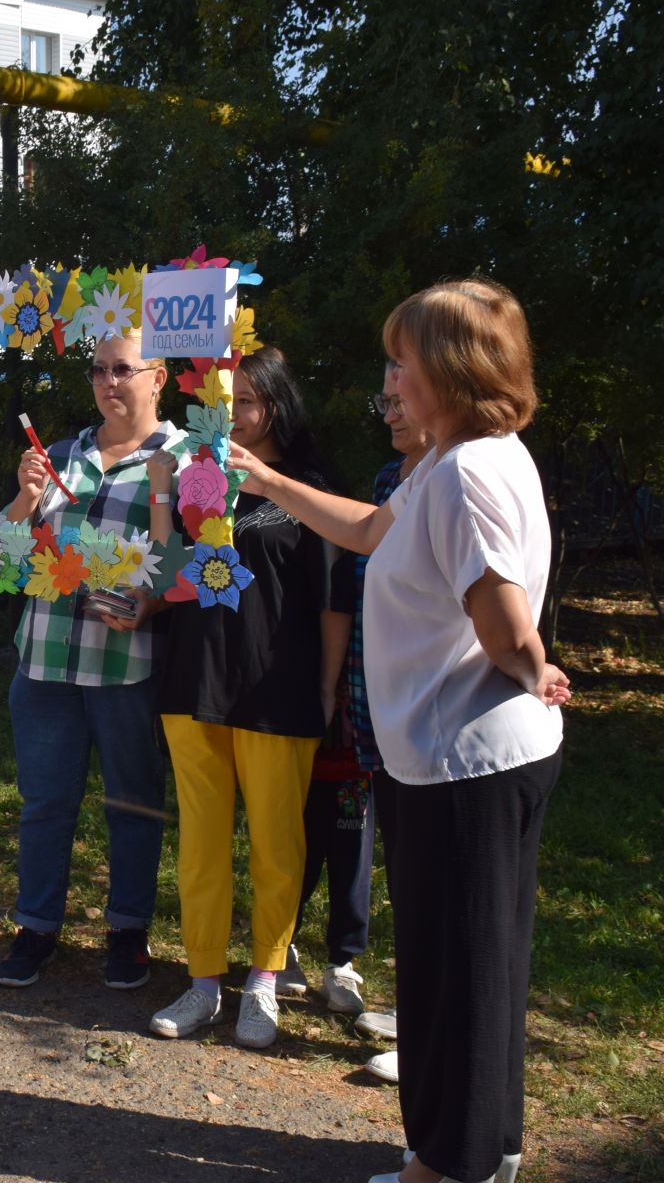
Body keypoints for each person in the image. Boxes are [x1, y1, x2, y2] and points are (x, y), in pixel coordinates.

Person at [228, 278, 569, 1183]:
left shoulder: (462, 473)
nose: (391, 379)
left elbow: (499, 612)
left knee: (453, 972)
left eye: (403, 361)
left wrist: (532, 662)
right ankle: (486, 1148)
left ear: (451, 372)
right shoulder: (461, 458)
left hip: (466, 762)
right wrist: (263, 480)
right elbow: (374, 531)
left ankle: (445, 1166)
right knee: (484, 963)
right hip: (468, 756)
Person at [146, 346, 354, 1048]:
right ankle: (203, 982)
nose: (234, 417)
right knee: (200, 846)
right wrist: (160, 493)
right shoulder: (195, 478)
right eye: (222, 404)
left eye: (249, 404)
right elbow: (169, 573)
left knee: (276, 844)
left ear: (277, 407)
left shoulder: (308, 485)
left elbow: (333, 603)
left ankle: (264, 982)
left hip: (279, 688)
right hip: (193, 681)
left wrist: (327, 689)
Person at [0, 331, 192, 990]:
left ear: (157, 376)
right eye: (99, 370)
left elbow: (190, 569)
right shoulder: (64, 455)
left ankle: (128, 931)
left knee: (132, 802)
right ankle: (36, 928)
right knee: (45, 803)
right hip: (45, 659)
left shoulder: (188, 459)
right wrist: (23, 495)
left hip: (123, 665)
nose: (110, 382)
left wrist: (148, 604)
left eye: (124, 370)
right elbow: (7, 554)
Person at [347, 368, 435, 1082]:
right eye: (385, 400)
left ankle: (432, 1038)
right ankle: (417, 1011)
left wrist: (528, 660)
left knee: (434, 886)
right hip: (378, 699)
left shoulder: (459, 479)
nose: (388, 413)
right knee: (405, 868)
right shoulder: (392, 480)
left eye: (400, 400)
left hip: (435, 720)